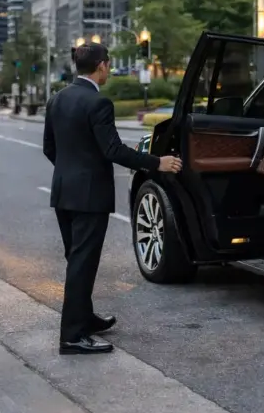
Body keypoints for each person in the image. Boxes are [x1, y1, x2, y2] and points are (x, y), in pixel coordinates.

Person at [43, 43, 182, 355]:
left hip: (64, 191)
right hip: (90, 195)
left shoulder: (57, 99)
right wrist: (157, 162)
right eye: (107, 64)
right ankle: (72, 337)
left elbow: (49, 148)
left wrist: (72, 173)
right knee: (82, 262)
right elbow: (114, 151)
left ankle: (85, 318)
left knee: (76, 259)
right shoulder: (98, 102)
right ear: (102, 66)